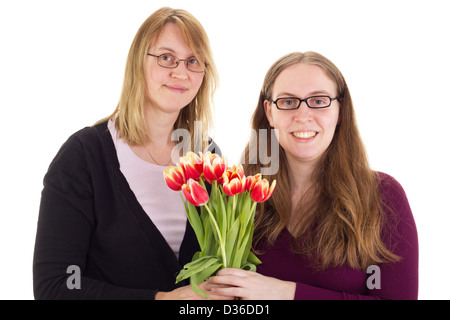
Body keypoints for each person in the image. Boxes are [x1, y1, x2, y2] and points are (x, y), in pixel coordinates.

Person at [33, 7, 221, 300]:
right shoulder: (85, 156)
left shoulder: (207, 156)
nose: (181, 72)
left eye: (193, 61)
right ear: (138, 63)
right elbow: (57, 286)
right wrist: (161, 299)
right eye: (166, 58)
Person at [207, 51, 419, 300]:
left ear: (340, 110)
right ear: (269, 112)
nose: (303, 115)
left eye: (318, 101)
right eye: (288, 102)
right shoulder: (236, 196)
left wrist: (287, 293)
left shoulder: (383, 195)